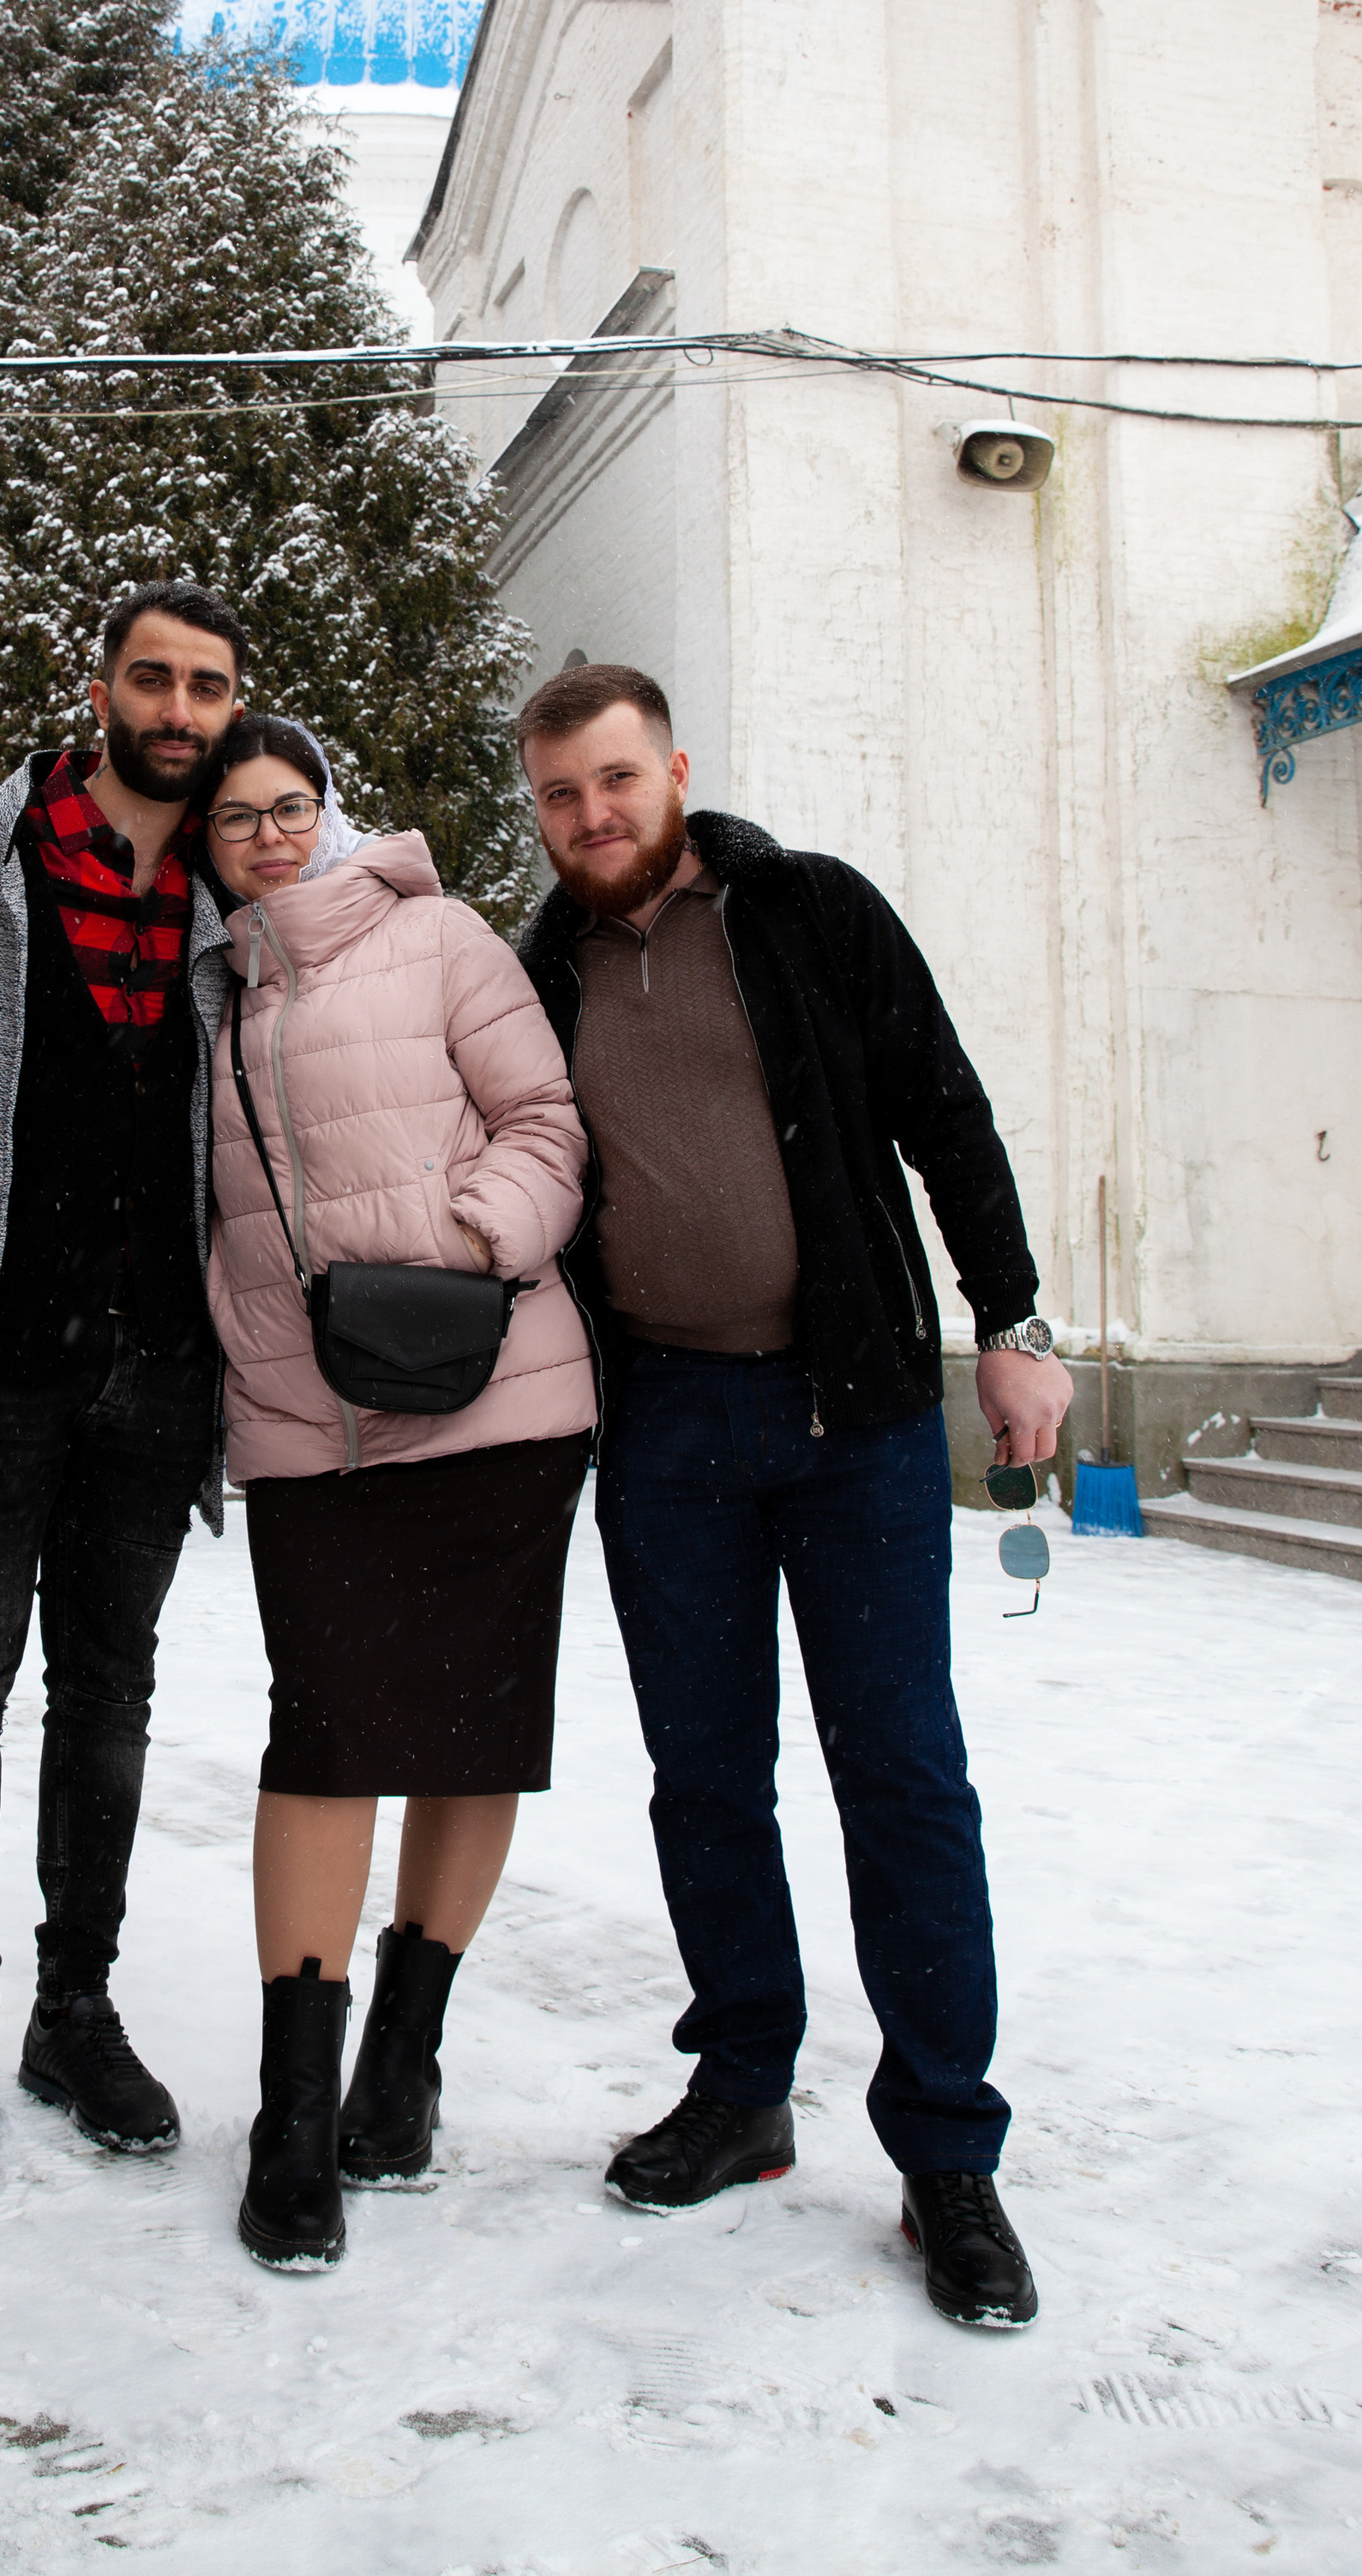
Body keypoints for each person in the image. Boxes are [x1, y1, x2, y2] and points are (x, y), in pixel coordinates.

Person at [513, 663, 1071, 2329]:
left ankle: (944, 2156)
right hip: (666, 1422)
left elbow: (941, 1116)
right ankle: (741, 2085)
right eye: (558, 796)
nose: (591, 817)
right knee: (703, 1777)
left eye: (613, 781)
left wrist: (1011, 1323)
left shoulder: (808, 911)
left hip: (858, 1416)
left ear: (669, 770)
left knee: (899, 1775)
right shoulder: (537, 970)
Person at [202, 715, 595, 2268]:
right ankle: (292, 2109)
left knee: (468, 1730)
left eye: (291, 806)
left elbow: (547, 1123)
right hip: (307, 1424)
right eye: (237, 819)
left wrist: (473, 1255)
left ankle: (404, 2061)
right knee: (324, 1738)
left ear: (331, 806)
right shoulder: (211, 990)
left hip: (493, 1402)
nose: (270, 838)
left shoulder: (439, 935)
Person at [0, 581, 245, 2179]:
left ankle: (71, 2012)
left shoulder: (254, 871)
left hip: (164, 1362)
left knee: (112, 1694)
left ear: (235, 706)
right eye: (151, 679)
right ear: (98, 687)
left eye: (207, 688)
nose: (176, 710)